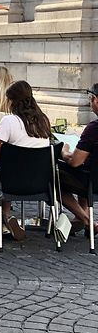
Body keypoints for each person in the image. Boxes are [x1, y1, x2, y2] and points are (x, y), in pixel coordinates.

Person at [0, 80, 52, 240]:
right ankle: (6, 220)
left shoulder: (8, 121)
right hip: (40, 182)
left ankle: (5, 216)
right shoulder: (43, 120)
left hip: (11, 183)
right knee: (11, 167)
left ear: (11, 101)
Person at [57, 83, 98, 235]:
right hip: (92, 176)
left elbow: (75, 161)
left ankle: (86, 220)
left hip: (92, 182)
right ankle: (82, 217)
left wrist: (64, 151)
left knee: (53, 178)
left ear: (96, 100)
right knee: (85, 168)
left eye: (90, 98)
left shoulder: (93, 128)